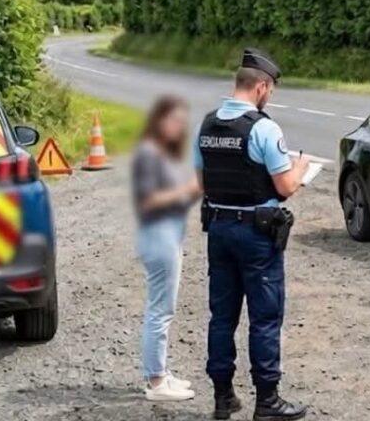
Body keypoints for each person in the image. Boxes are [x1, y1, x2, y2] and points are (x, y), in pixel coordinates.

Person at [194, 48, 311, 421]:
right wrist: (300, 168)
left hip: (219, 229)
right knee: (265, 316)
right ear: (261, 87)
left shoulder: (207, 126)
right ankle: (267, 400)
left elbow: (202, 184)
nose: (269, 97)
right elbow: (285, 186)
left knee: (222, 316)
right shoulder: (263, 128)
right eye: (270, 90)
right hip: (256, 235)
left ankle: (223, 397)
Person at [132, 95, 201, 401]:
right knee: (160, 310)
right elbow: (148, 200)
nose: (178, 126)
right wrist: (186, 189)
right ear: (159, 120)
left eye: (182, 122)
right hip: (158, 235)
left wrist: (192, 191)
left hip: (169, 233)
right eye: (173, 120)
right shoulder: (149, 153)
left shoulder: (163, 153)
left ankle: (160, 371)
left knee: (164, 308)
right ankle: (156, 382)